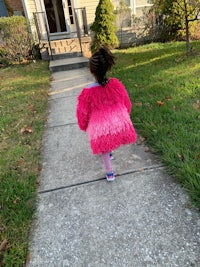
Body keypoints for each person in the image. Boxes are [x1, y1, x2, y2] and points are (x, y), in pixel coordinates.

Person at [76, 46, 137, 181]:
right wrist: (125, 115)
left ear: (91, 71)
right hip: (118, 125)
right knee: (108, 132)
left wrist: (83, 125)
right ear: (107, 67)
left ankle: (110, 172)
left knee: (102, 140)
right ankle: (110, 151)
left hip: (100, 130)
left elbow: (82, 113)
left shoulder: (87, 93)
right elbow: (127, 103)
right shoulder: (116, 85)